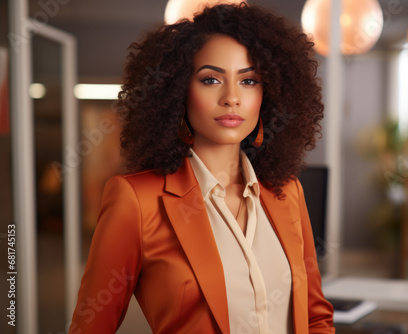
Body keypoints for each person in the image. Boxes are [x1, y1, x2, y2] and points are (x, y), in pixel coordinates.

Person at [69, 3, 335, 333]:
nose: (232, 98)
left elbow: (315, 316)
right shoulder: (136, 201)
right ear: (178, 91)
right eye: (210, 79)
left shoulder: (287, 192)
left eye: (249, 81)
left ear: (270, 94)